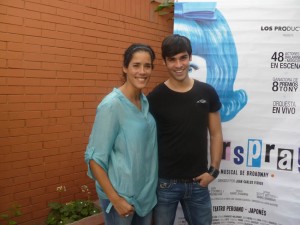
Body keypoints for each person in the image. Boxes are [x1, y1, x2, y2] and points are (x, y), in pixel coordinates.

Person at [147, 34, 223, 225]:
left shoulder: (207, 92)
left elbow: (216, 134)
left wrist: (213, 171)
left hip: (198, 182)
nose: (178, 64)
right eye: (172, 59)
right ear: (165, 62)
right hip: (165, 184)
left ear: (190, 57)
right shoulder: (155, 97)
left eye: (182, 58)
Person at [85, 43, 158, 225]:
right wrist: (116, 201)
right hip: (122, 200)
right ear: (125, 68)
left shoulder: (143, 102)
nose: (142, 71)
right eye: (136, 65)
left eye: (147, 66)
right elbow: (94, 160)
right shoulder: (112, 106)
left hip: (145, 199)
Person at [173, 2, 248, 122]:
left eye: (190, 68)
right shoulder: (160, 97)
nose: (179, 68)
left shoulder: (210, 104)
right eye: (172, 60)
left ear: (217, 69)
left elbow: (216, 136)